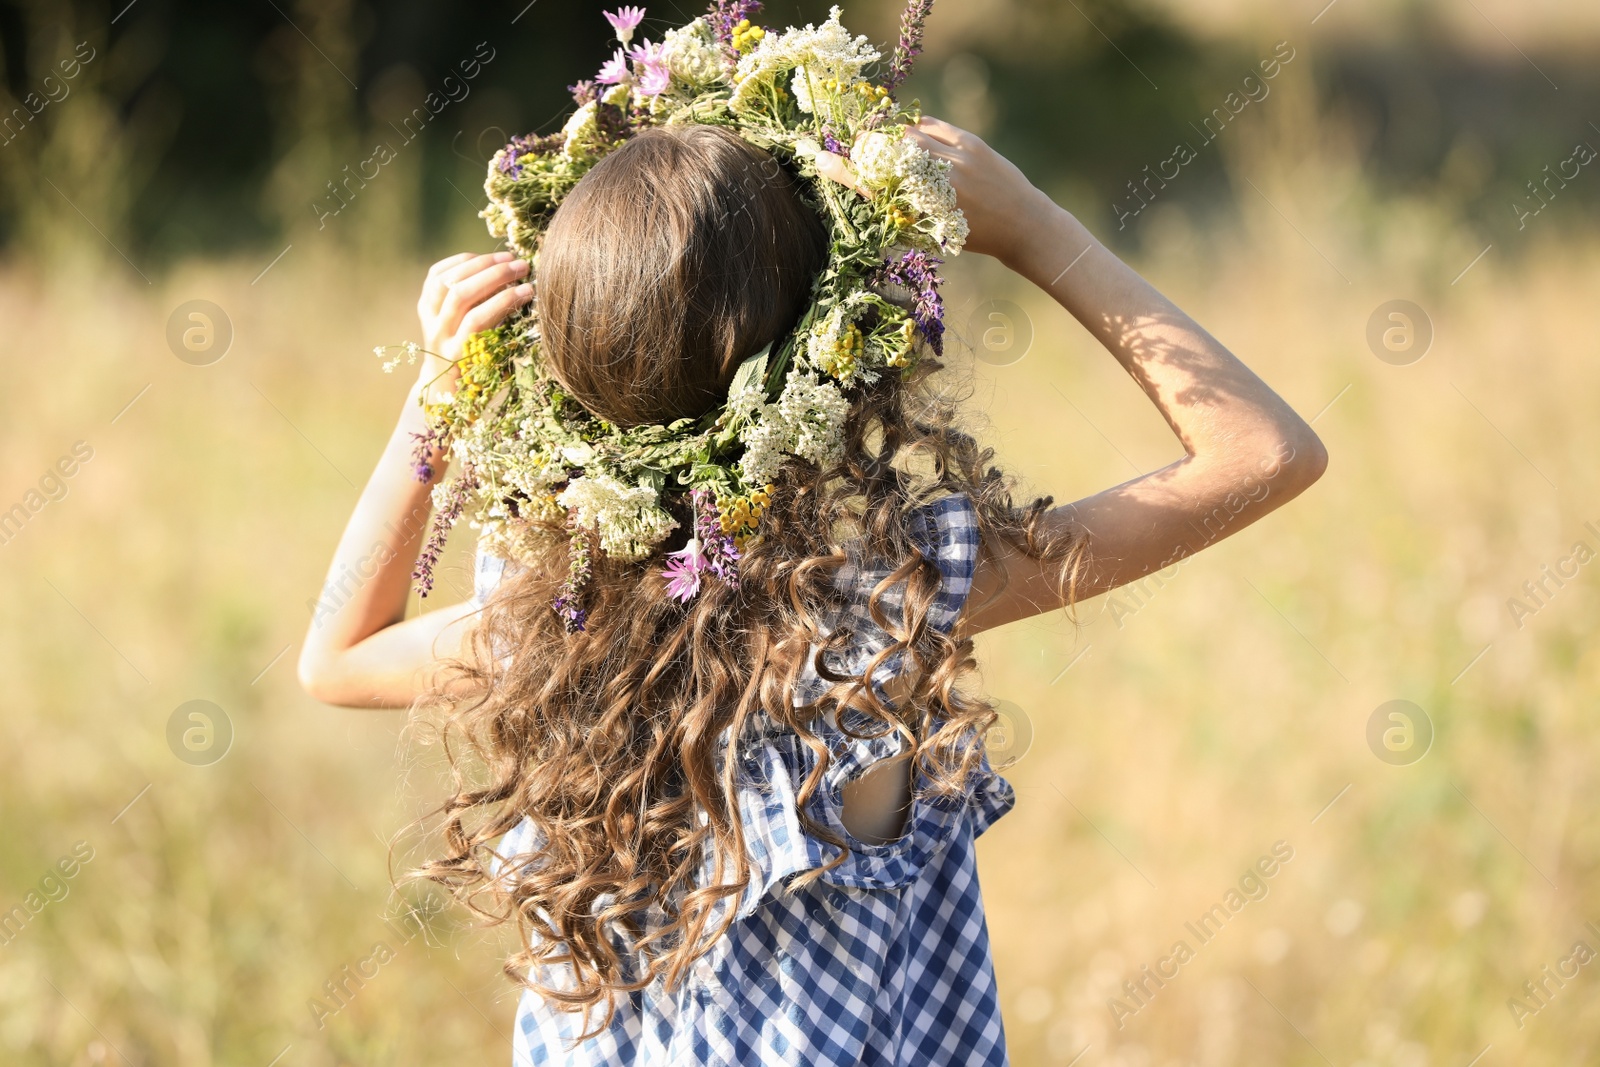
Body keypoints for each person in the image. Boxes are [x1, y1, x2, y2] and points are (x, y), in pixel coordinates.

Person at [298, 114, 1326, 1065]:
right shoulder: (875, 605)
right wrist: (1029, 226)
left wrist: (437, 398)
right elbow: (1263, 452)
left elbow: (335, 656)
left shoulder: (554, 621)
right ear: (826, 356)